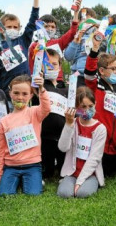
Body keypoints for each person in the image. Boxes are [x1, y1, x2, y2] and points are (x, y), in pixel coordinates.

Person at [0, 74, 51, 196]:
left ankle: (32, 180)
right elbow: (0, 151)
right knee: (4, 194)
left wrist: (41, 89)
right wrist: (0, 175)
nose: (20, 97)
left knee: (33, 194)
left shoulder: (35, 113)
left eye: (25, 94)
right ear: (10, 93)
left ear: (31, 95)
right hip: (11, 166)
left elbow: (46, 108)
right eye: (16, 93)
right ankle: (16, 180)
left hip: (32, 165)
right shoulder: (4, 121)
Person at [84, 31, 116, 176]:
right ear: (102, 71)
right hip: (102, 147)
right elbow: (89, 73)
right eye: (114, 69)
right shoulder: (95, 86)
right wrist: (94, 50)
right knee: (106, 173)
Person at [57, 86, 107, 198]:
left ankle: (89, 183)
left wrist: (79, 182)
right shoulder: (73, 123)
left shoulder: (100, 128)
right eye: (83, 107)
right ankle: (68, 182)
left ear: (95, 104)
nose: (87, 110)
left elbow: (95, 158)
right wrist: (68, 125)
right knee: (64, 193)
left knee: (82, 194)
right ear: (76, 108)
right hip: (72, 172)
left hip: (90, 173)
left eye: (90, 106)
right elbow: (63, 147)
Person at [0, 0, 40, 111]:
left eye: (15, 27)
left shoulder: (23, 41)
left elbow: (32, 22)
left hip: (25, 90)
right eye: (9, 27)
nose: (12, 29)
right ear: (1, 29)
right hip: (7, 93)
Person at [28, 0, 81, 86]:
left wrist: (76, 13)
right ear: (39, 28)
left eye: (53, 27)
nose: (50, 29)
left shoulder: (59, 42)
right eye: (46, 26)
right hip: (41, 81)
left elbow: (73, 32)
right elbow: (31, 66)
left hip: (58, 81)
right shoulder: (34, 46)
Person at [38, 49, 68, 179]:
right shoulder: (38, 85)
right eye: (47, 64)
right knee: (47, 172)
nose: (51, 66)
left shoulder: (66, 88)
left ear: (60, 66)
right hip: (45, 136)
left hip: (63, 134)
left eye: (54, 64)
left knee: (63, 170)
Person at [64, 7, 97, 87]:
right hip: (77, 75)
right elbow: (68, 57)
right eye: (85, 21)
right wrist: (76, 40)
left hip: (94, 76)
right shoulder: (74, 38)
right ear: (79, 22)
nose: (88, 25)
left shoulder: (97, 37)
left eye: (91, 22)